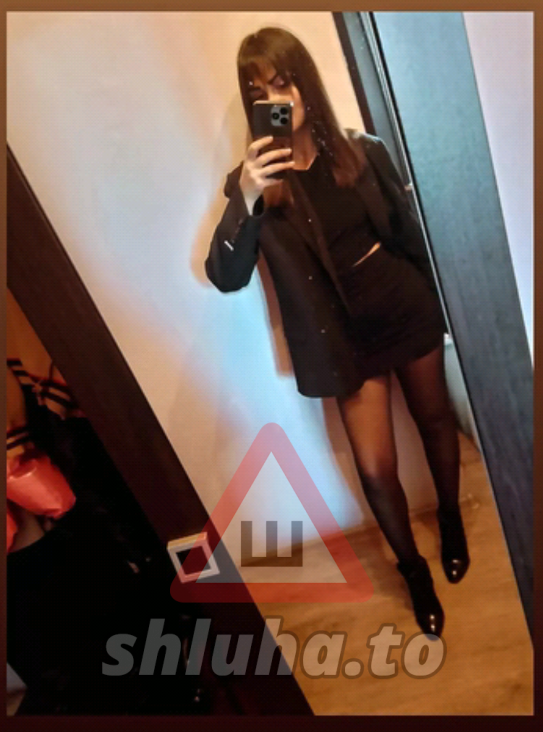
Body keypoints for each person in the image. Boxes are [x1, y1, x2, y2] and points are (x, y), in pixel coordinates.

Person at [205, 27, 470, 638]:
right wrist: (246, 195)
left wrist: (450, 308)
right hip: (342, 340)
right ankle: (413, 571)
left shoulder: (360, 151)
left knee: (435, 420)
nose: (276, 99)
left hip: (404, 308)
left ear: (306, 83)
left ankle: (451, 518)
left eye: (283, 82)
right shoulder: (253, 183)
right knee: (376, 469)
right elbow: (226, 276)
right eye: (260, 92)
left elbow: (409, 234)